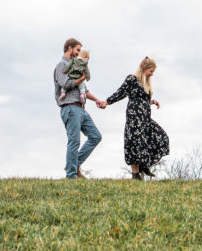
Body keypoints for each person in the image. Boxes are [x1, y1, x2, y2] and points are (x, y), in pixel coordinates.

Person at [105, 56, 169, 180]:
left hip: (145, 118)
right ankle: (136, 174)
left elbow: (142, 99)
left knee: (161, 138)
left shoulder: (145, 83)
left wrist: (151, 101)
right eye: (151, 71)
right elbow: (121, 92)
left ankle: (144, 165)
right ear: (144, 68)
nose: (152, 74)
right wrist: (107, 102)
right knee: (134, 143)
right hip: (134, 118)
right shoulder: (132, 79)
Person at [54, 39, 106, 179]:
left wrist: (97, 100)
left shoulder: (78, 66)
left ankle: (74, 164)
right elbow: (65, 83)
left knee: (95, 136)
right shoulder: (61, 65)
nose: (79, 53)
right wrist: (82, 78)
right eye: (77, 50)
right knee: (74, 141)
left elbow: (84, 89)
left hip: (81, 109)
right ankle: (71, 176)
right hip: (70, 107)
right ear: (69, 48)